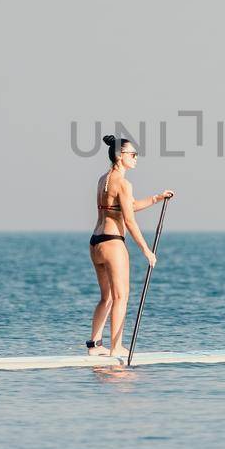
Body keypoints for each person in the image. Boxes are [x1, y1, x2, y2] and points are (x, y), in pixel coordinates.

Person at [87, 135, 173, 357]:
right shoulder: (124, 183)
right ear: (119, 155)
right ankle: (116, 347)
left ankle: (94, 346)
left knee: (106, 297)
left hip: (96, 243)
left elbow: (128, 206)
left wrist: (156, 198)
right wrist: (146, 250)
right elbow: (129, 220)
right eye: (133, 154)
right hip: (113, 244)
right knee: (121, 297)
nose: (136, 158)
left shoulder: (103, 179)